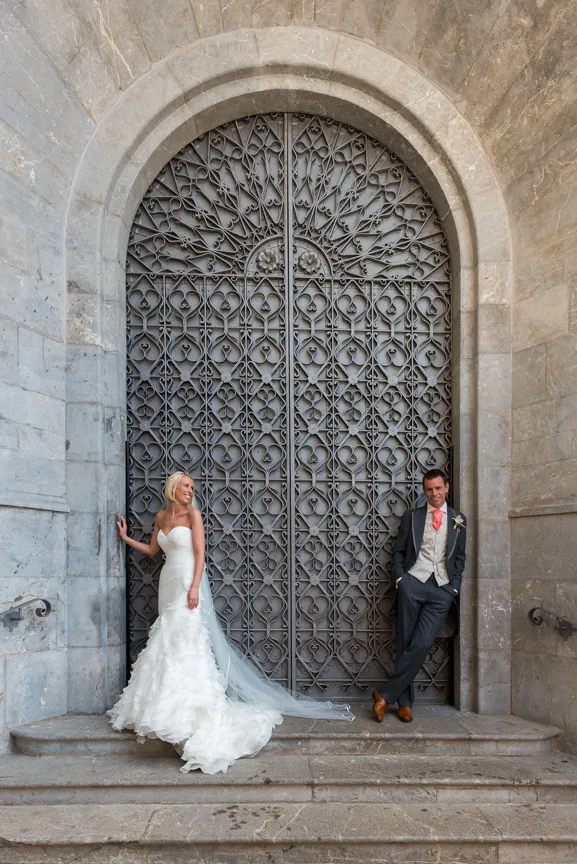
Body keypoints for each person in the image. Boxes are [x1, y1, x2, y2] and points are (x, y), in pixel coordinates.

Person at [109, 471, 353, 773]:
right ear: (173, 487)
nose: (189, 490)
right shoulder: (161, 516)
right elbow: (153, 550)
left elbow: (200, 554)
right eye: (185, 485)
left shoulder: (194, 515)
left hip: (187, 580)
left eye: (192, 487)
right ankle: (159, 704)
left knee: (186, 639)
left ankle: (187, 708)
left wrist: (195, 586)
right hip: (167, 582)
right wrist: (125, 538)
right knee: (166, 640)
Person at [373, 469, 466, 724]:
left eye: (438, 488)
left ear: (447, 487)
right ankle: (405, 704)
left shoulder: (459, 519)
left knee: (422, 642)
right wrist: (402, 579)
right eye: (429, 489)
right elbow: (399, 551)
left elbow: (459, 556)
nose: (434, 494)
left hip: (441, 589)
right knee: (405, 642)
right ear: (424, 491)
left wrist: (453, 587)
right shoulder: (412, 517)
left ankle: (385, 695)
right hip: (413, 583)